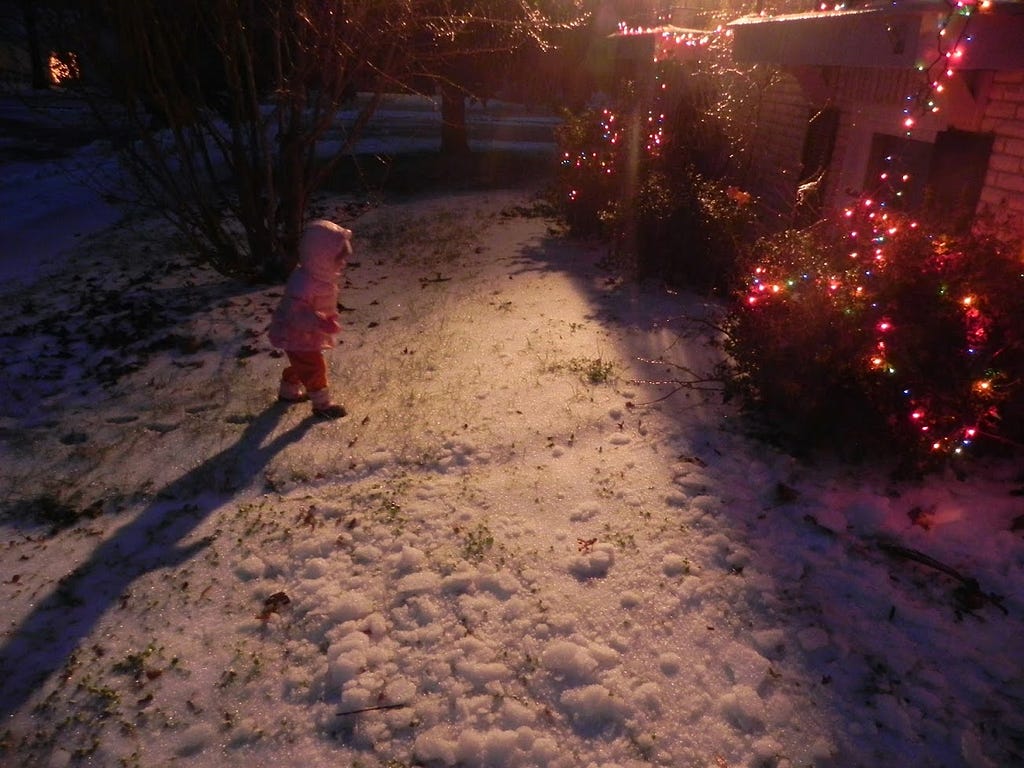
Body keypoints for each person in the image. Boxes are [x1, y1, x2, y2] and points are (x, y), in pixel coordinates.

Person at [267, 219, 351, 419]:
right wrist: (319, 321)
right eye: (337, 258)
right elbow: (295, 312)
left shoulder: (319, 277)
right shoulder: (303, 282)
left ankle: (288, 392)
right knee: (313, 367)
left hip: (305, 333)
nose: (342, 263)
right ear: (320, 258)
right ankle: (322, 405)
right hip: (297, 332)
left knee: (302, 364)